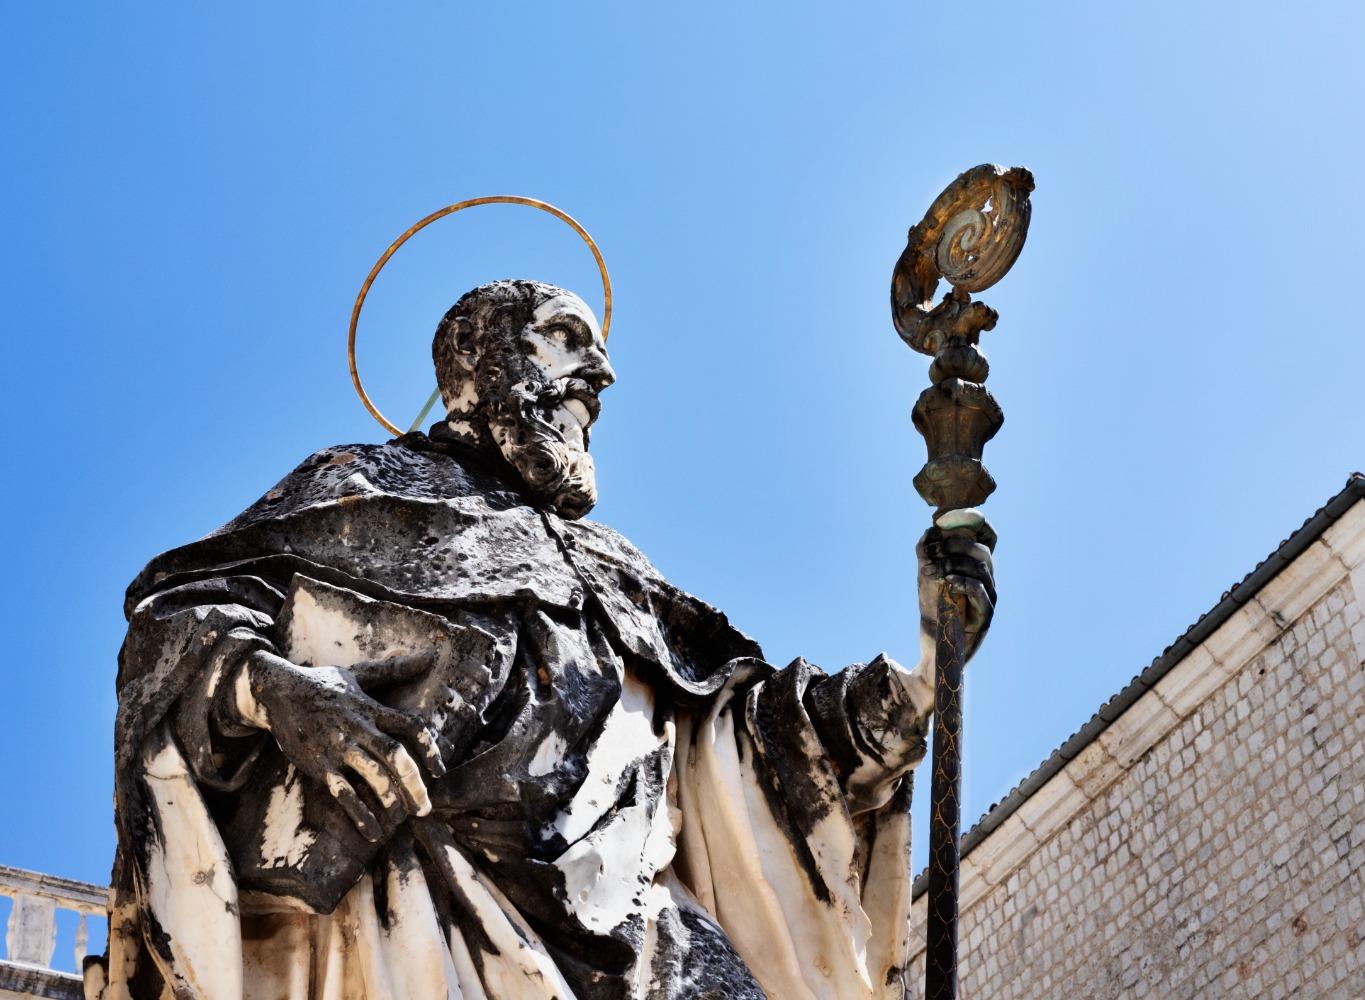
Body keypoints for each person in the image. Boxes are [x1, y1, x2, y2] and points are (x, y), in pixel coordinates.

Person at [94, 279, 996, 1000]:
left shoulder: (614, 567)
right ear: (474, 369)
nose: (598, 374)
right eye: (564, 338)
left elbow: (742, 733)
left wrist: (923, 669)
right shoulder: (361, 489)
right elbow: (177, 620)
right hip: (429, 906)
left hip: (647, 931)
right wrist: (280, 693)